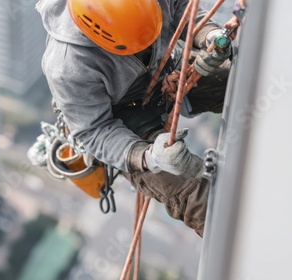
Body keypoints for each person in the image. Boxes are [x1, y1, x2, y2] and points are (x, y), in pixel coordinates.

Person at [36, 0, 238, 236]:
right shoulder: (68, 65)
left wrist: (207, 34)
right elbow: (94, 130)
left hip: (165, 72)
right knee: (199, 198)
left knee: (241, 82)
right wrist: (149, 158)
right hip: (124, 125)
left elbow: (179, 7)